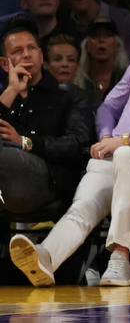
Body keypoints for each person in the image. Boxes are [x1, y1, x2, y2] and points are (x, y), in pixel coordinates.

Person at [8, 11, 130, 287]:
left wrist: (127, 141)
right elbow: (108, 107)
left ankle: (120, 257)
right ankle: (47, 257)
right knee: (84, 206)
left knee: (127, 155)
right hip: (113, 155)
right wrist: (106, 138)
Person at [0, 19, 94, 222]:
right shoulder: (5, 98)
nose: (26, 54)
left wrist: (25, 142)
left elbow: (76, 143)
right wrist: (12, 90)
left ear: (41, 56)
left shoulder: (68, 96)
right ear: (5, 64)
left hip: (49, 180)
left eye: (32, 48)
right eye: (17, 51)